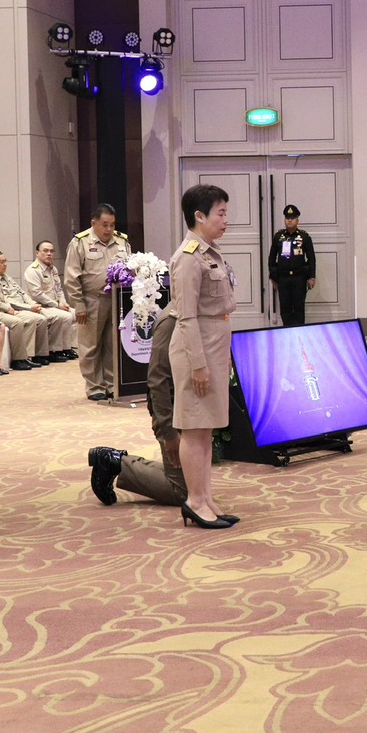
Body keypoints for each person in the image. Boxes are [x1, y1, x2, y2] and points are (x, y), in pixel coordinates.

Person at [169, 184, 240, 529]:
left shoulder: (211, 253)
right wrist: (198, 364)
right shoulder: (188, 258)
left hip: (213, 346)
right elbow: (186, 317)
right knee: (194, 428)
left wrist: (222, 355)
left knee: (206, 427)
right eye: (220, 213)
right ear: (199, 216)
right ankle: (194, 501)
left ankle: (206, 496)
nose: (226, 219)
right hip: (194, 350)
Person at [88, 308, 188, 508]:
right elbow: (157, 379)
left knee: (196, 483)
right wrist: (168, 432)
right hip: (171, 414)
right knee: (183, 493)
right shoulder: (171, 321)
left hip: (188, 412)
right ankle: (113, 462)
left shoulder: (194, 313)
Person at [63, 204, 131, 401]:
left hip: (116, 301)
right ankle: (94, 387)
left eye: (112, 225)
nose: (109, 229)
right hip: (92, 300)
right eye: (104, 225)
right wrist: (79, 304)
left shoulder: (122, 241)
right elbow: (71, 277)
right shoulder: (80, 243)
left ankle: (111, 384)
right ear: (94, 223)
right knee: (90, 346)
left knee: (112, 345)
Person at [0, 250, 48, 369]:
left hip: (10, 308)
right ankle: (19, 359)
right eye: (2, 262)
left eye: (6, 261)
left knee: (41, 318)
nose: (5, 264)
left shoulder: (6, 277)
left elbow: (21, 292)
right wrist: (9, 308)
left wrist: (32, 303)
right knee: (18, 322)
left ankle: (36, 355)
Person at [24, 240, 78, 361]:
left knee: (75, 313)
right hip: (41, 306)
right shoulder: (32, 270)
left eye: (51, 251)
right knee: (64, 316)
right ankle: (54, 350)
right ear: (37, 253)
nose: (49, 254)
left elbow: (59, 289)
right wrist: (57, 305)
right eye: (45, 251)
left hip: (55, 305)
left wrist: (63, 302)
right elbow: (37, 294)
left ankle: (67, 347)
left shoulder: (53, 269)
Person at [268, 204, 317, 327]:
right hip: (283, 278)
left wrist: (311, 277)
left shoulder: (304, 236)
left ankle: (299, 331)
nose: (289, 220)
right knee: (285, 308)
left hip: (299, 278)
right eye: (287, 218)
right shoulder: (279, 237)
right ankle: (287, 329)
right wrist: (273, 278)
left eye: (292, 218)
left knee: (299, 307)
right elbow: (272, 258)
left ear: (297, 220)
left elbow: (311, 258)